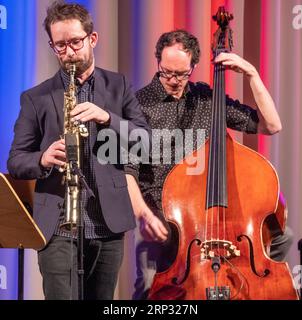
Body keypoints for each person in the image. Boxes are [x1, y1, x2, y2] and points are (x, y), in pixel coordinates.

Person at [124, 29, 293, 300]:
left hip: (207, 212)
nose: (173, 81)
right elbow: (127, 170)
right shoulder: (139, 104)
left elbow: (271, 125)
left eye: (181, 74)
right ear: (158, 62)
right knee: (150, 290)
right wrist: (143, 214)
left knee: (281, 235)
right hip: (160, 213)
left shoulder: (206, 98)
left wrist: (252, 74)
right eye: (166, 72)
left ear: (193, 66)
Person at [7, 1, 150, 300]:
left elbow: (145, 141)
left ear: (92, 39)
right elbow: (17, 160)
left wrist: (107, 117)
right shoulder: (36, 98)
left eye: (75, 42)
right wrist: (43, 158)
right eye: (60, 46)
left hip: (107, 224)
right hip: (58, 227)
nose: (69, 52)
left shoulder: (119, 86)